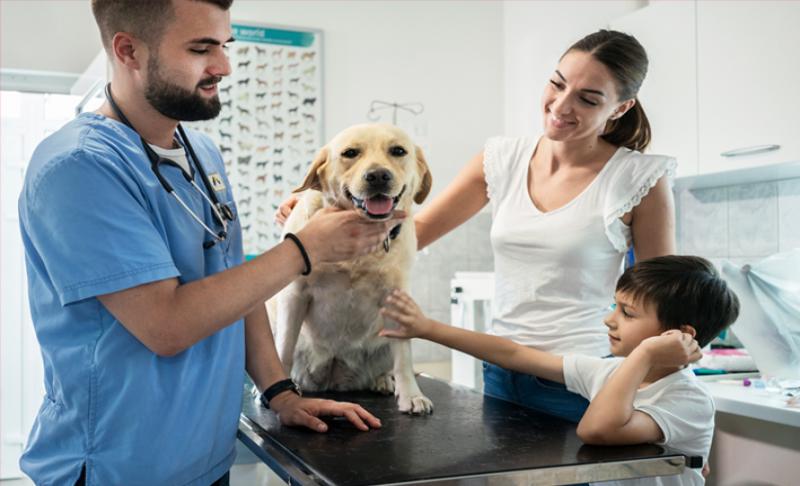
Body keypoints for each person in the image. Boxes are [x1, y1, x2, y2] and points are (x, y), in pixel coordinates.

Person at [17, 1, 404, 484]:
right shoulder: (78, 168)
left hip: (205, 458)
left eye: (224, 46)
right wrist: (303, 250)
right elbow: (166, 325)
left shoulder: (201, 154)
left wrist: (280, 392)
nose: (223, 66)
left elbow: (235, 286)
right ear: (128, 50)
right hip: (119, 466)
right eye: (201, 49)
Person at [277, 29, 676, 422]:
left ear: (621, 108)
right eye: (557, 83)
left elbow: (661, 304)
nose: (560, 105)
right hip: (500, 370)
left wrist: (668, 405)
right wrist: (312, 207)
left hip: (584, 379)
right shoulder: (503, 158)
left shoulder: (637, 179)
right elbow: (414, 229)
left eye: (588, 99)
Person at [380, 255, 740, 486]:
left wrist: (644, 353)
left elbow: (597, 429)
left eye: (627, 313)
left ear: (677, 335)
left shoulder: (686, 400)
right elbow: (514, 354)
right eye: (615, 306)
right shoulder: (609, 371)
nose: (609, 319)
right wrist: (426, 328)